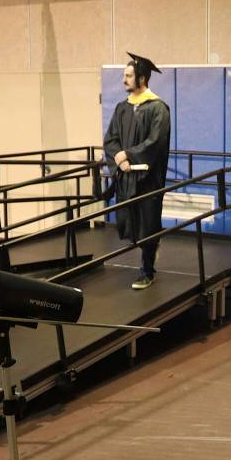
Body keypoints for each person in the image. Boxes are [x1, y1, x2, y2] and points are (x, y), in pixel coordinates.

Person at [103, 52, 171, 290]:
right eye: (124, 75)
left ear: (142, 78)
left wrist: (129, 155)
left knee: (148, 225)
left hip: (147, 180)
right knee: (129, 225)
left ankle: (147, 270)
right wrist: (119, 160)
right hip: (126, 177)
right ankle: (149, 251)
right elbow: (110, 140)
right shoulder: (122, 108)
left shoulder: (158, 108)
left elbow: (156, 142)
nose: (124, 80)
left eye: (129, 76)